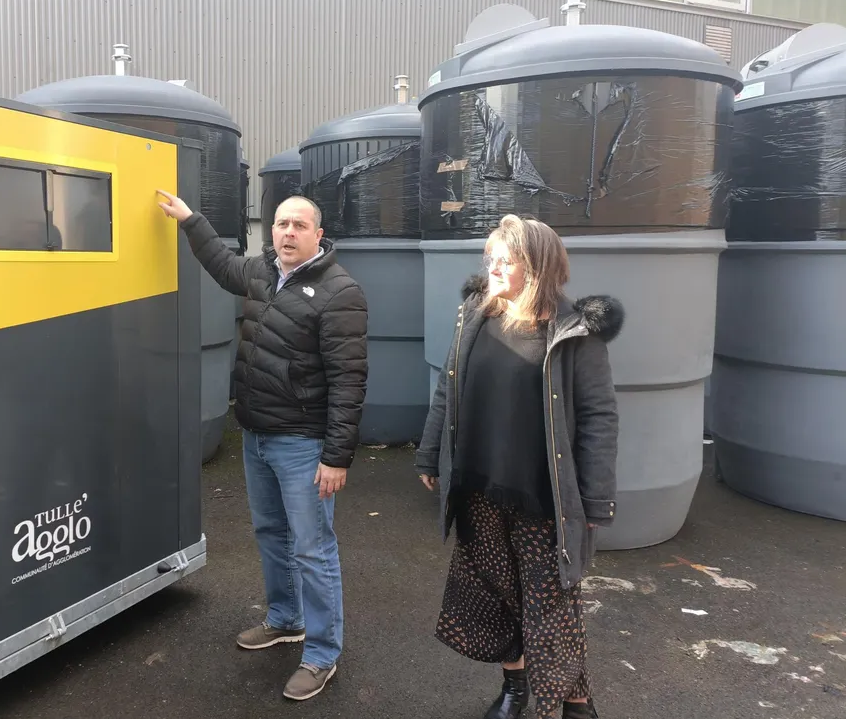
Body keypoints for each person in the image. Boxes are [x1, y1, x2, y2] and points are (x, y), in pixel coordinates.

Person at [156, 189, 368, 702]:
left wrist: (336, 456)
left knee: (313, 550)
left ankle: (321, 653)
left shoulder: (341, 293)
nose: (288, 232)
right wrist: (191, 220)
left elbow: (349, 382)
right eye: (280, 224)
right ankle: (285, 618)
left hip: (303, 444)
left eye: (299, 225)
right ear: (269, 231)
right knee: (272, 532)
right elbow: (222, 265)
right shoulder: (262, 271)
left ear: (319, 234)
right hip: (256, 434)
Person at [415, 214, 623, 719]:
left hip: (541, 495)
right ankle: (517, 688)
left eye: (504, 260)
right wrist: (429, 454)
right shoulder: (475, 314)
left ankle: (572, 701)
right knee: (496, 593)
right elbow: (448, 386)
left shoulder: (574, 332)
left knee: (550, 603)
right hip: (479, 486)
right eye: (490, 258)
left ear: (538, 267)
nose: (493, 268)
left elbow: (599, 417)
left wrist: (596, 499)